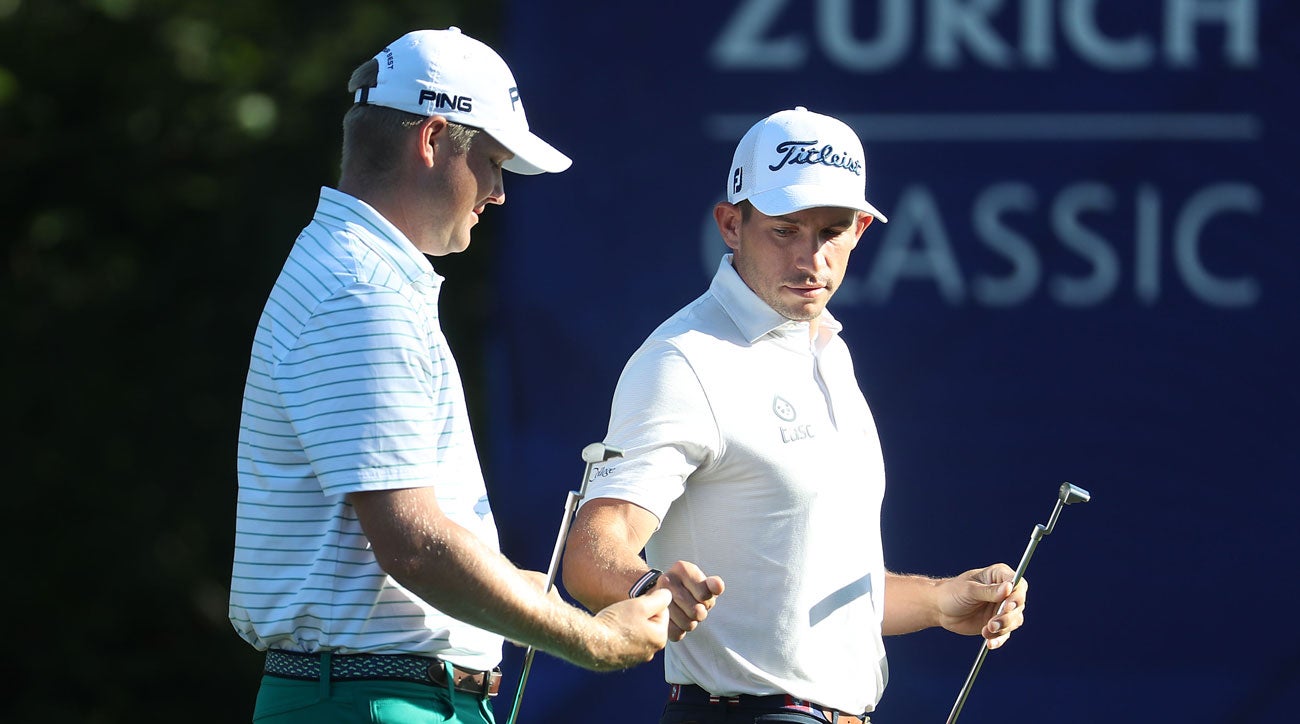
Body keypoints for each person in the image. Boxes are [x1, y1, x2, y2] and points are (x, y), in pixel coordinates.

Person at [229, 27, 671, 724]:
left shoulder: (360, 276)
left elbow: (408, 552)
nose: (497, 193)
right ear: (432, 140)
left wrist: (536, 596)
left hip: (379, 695)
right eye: (493, 161)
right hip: (372, 701)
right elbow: (414, 544)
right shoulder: (361, 291)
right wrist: (592, 640)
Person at [560, 107, 1029, 724]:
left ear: (861, 228)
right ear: (731, 224)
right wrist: (647, 588)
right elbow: (592, 550)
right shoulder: (683, 359)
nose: (811, 260)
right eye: (785, 231)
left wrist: (942, 601)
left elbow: (803, 592)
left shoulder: (829, 354)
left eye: (832, 232)